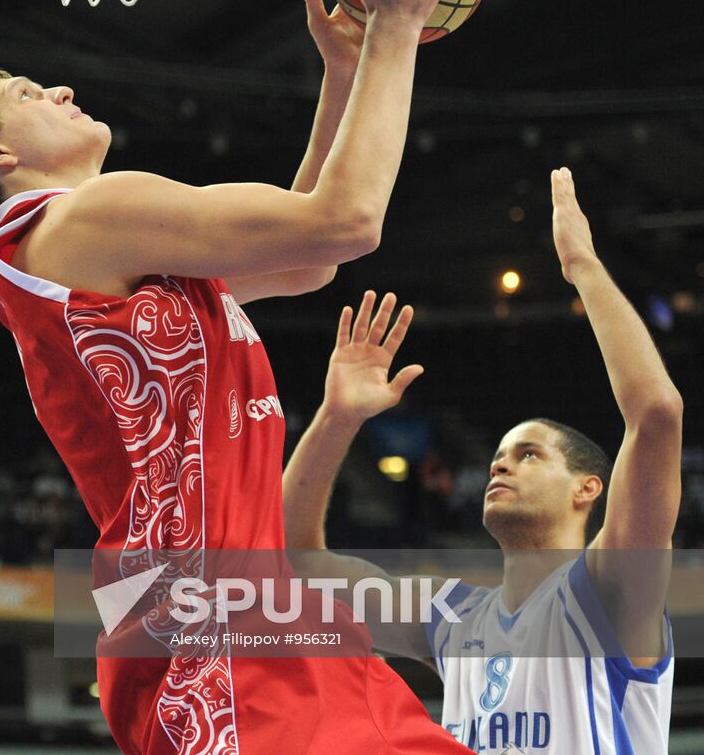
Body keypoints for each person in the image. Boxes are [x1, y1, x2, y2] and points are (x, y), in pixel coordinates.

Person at [0, 0, 482, 754]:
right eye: (28, 93)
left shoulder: (98, 263)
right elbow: (349, 223)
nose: (59, 86)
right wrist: (397, 22)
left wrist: (346, 78)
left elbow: (304, 256)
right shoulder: (82, 219)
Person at [283, 168, 681, 754]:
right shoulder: (451, 617)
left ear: (588, 488)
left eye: (529, 454)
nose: (501, 465)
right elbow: (296, 558)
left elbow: (656, 413)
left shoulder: (612, 590)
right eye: (499, 455)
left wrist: (584, 269)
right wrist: (336, 418)